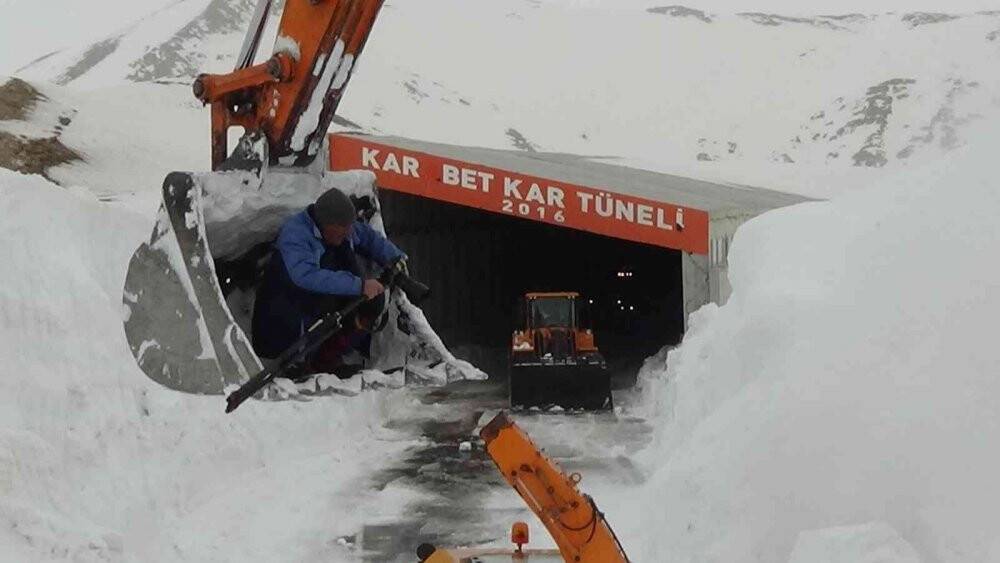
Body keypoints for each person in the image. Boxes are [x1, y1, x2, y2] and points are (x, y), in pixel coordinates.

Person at [251, 187, 405, 376]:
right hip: (288, 308)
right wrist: (360, 286)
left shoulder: (342, 227)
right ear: (327, 224)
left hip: (323, 296)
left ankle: (326, 359)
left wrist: (397, 259)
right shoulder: (295, 234)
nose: (349, 233)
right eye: (343, 230)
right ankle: (297, 364)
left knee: (372, 303)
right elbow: (305, 276)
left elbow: (368, 238)